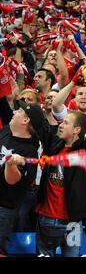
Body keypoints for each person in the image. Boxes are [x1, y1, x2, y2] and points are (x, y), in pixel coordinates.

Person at [34, 92, 86, 257]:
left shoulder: (84, 152)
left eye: (66, 123)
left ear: (77, 130)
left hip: (72, 223)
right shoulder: (53, 143)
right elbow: (40, 125)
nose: (61, 125)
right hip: (45, 218)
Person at [0, 98, 43, 255]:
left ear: (26, 120)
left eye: (19, 111)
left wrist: (11, 165)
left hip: (3, 209)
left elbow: (12, 180)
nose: (14, 112)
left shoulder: (28, 152)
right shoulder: (6, 131)